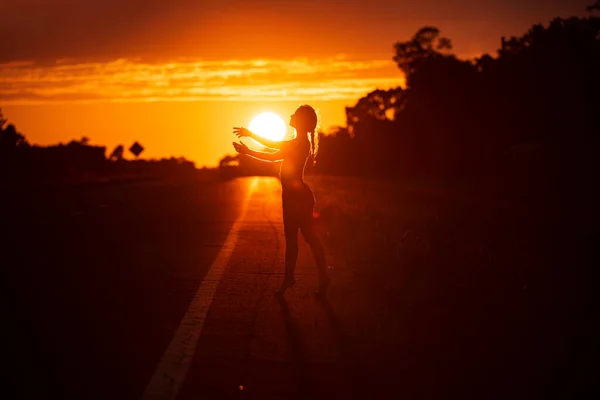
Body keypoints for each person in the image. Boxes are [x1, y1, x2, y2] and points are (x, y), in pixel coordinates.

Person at [232, 105, 331, 296]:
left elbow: (274, 149)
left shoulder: (301, 143)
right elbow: (275, 152)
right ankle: (290, 277)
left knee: (308, 238)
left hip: (299, 197)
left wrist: (250, 138)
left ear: (302, 121)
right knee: (293, 240)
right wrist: (248, 147)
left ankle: (320, 276)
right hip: (291, 196)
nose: (291, 116)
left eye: (295, 115)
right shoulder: (296, 142)